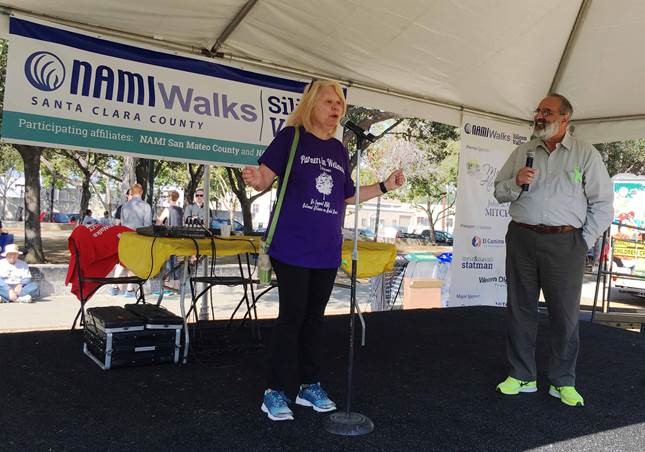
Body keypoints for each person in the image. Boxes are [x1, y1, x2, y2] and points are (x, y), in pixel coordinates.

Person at [242, 79, 405, 421]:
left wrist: (385, 186)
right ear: (312, 104)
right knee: (293, 317)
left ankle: (308, 385)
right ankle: (274, 390)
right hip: (292, 246)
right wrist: (255, 178)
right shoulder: (292, 137)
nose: (336, 109)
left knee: (314, 321)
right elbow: (265, 178)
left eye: (340, 105)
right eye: (330, 102)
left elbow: (346, 195)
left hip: (326, 250)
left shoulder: (338, 150)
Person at [493, 93, 613, 407]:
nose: (540, 115)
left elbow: (602, 206)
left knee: (565, 315)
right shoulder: (523, 151)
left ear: (565, 119)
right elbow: (499, 191)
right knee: (520, 309)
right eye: (539, 110)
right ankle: (522, 375)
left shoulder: (585, 154)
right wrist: (516, 182)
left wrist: (581, 242)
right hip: (521, 238)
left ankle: (563, 381)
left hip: (565, 243)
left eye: (547, 111)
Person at [115, 183, 152, 298]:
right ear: (141, 192)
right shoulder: (146, 206)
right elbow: (147, 225)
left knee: (122, 262)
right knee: (134, 263)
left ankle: (114, 287)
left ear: (131, 192)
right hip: (138, 238)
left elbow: (121, 222)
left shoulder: (124, 206)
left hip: (126, 237)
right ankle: (130, 289)